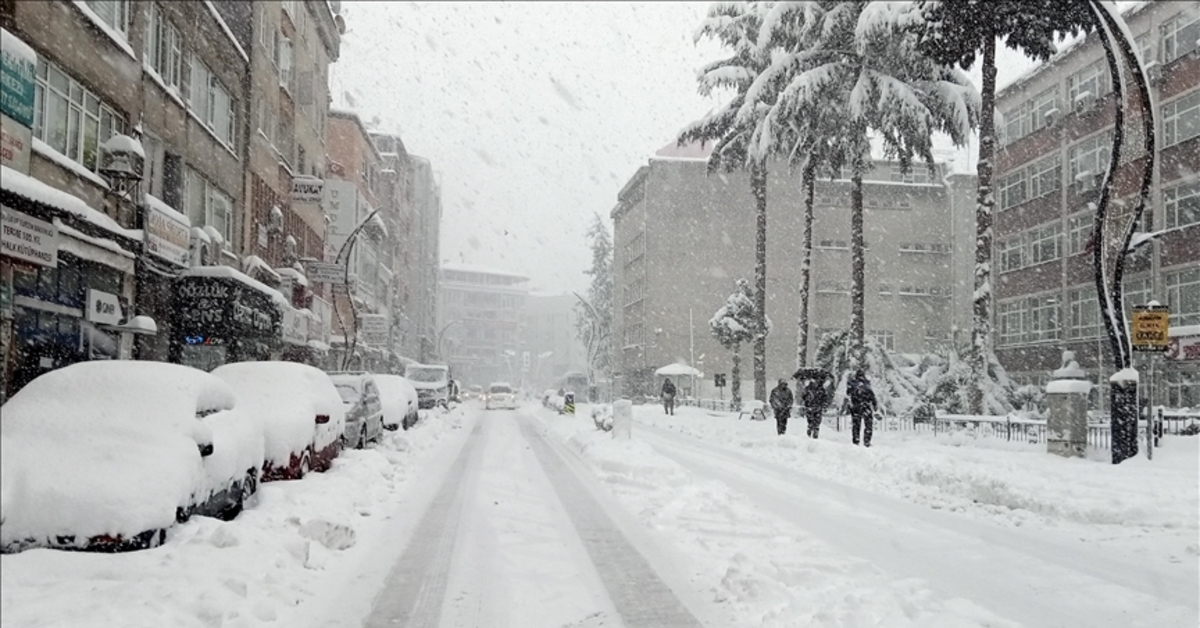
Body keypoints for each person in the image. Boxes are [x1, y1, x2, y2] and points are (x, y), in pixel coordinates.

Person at [842, 370, 878, 447]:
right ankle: (867, 441)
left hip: (856, 407)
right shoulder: (866, 384)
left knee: (856, 425)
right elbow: (872, 396)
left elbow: (848, 394)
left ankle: (856, 440)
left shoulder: (853, 384)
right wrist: (875, 405)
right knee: (868, 425)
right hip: (866, 407)